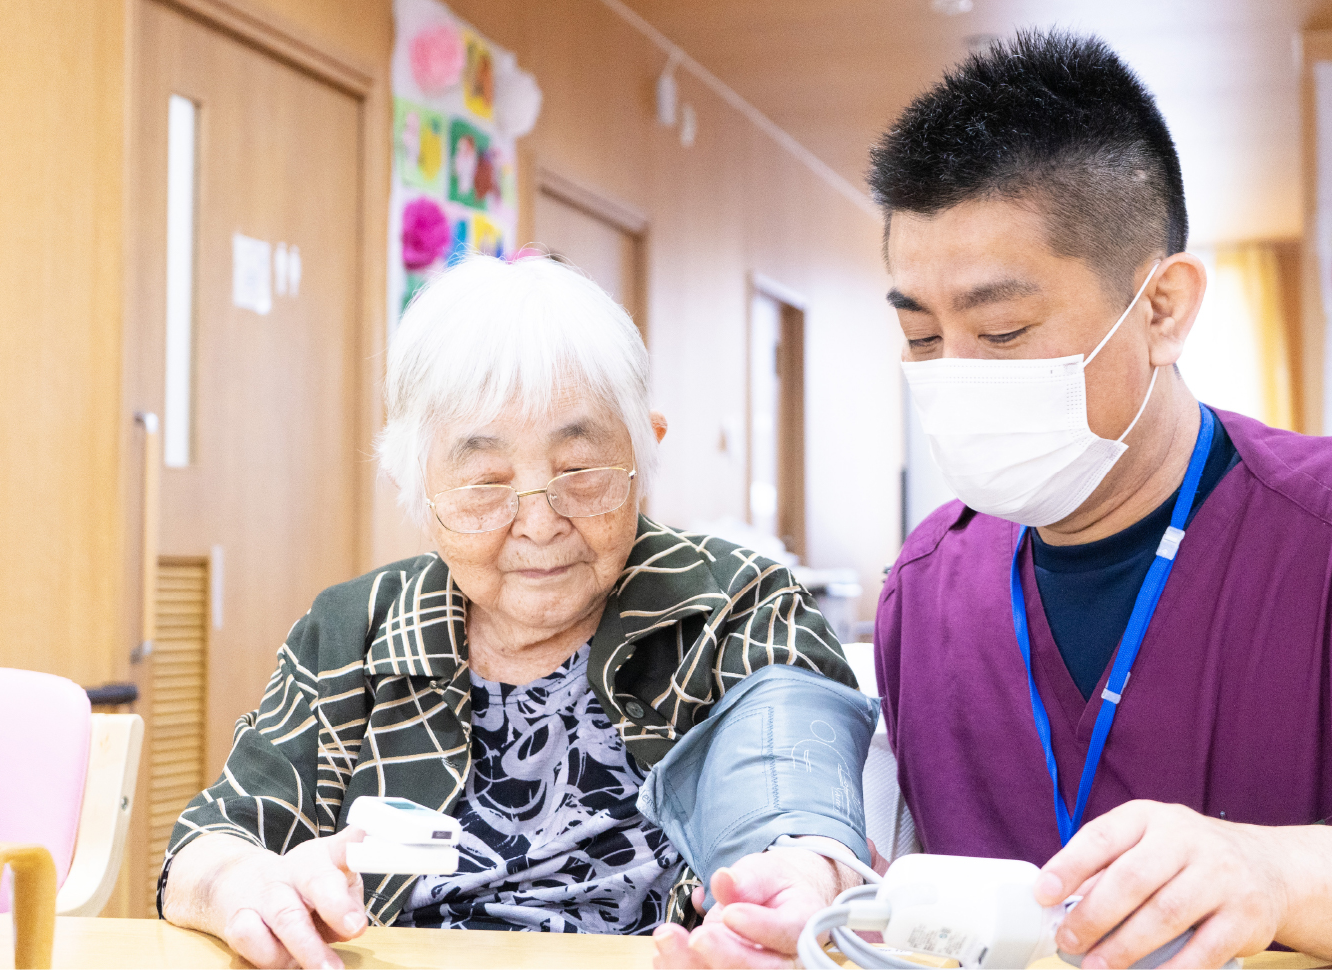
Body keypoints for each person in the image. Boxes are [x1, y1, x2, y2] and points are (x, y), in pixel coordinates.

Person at [869, 29, 1332, 970]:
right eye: (919, 336)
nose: (954, 375)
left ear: (1161, 309)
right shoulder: (929, 582)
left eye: (1001, 329)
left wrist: (1279, 872)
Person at [157, 254, 873, 970]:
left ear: (645, 451)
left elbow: (792, 785)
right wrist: (243, 884)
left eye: (580, 472)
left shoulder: (733, 604)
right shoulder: (354, 630)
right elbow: (212, 843)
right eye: (484, 482)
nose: (538, 523)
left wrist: (803, 876)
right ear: (419, 484)